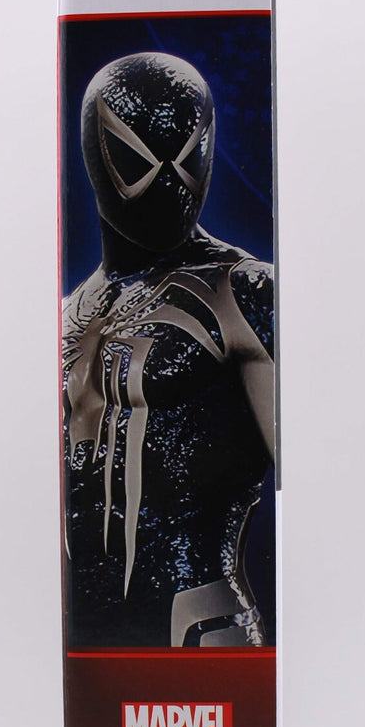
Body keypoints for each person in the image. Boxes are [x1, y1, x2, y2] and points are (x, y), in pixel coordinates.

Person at [61, 51, 275, 648]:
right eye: (140, 158)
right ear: (97, 153)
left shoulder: (243, 292)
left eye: (185, 155)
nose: (168, 182)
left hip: (203, 633)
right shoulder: (69, 314)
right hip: (84, 637)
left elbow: (334, 493)